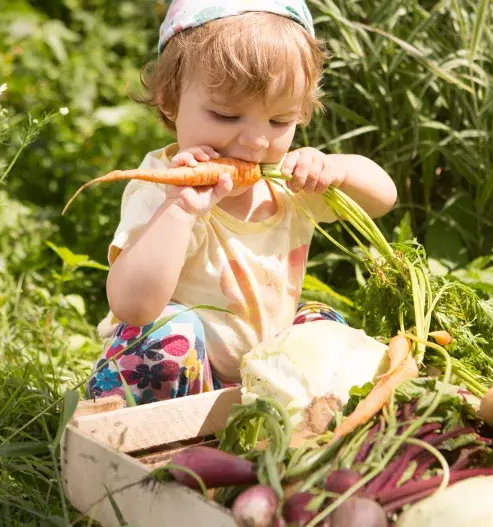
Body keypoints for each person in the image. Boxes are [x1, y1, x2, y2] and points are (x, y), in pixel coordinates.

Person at [86, 0, 397, 405]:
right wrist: (179, 212)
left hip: (259, 376)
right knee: (167, 336)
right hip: (173, 384)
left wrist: (338, 169)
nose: (255, 141)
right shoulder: (162, 187)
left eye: (280, 122)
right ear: (169, 99)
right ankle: (151, 437)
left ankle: (291, 423)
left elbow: (383, 199)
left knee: (322, 324)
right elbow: (133, 306)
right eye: (226, 116)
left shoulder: (291, 185)